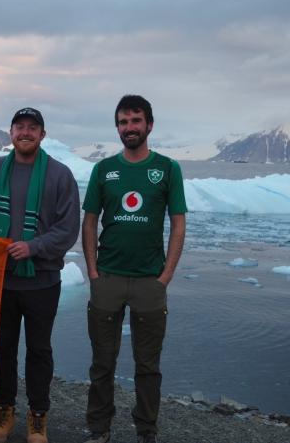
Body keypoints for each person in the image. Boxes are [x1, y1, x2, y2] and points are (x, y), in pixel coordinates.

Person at [81, 95, 186, 443]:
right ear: (117, 128)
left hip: (149, 282)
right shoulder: (103, 169)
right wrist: (93, 272)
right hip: (108, 278)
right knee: (102, 363)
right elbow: (90, 220)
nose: (130, 127)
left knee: (148, 366)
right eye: (123, 122)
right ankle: (99, 429)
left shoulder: (167, 169)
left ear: (149, 125)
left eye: (136, 120)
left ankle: (146, 430)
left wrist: (165, 276)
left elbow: (178, 223)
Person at [0, 107, 80, 443]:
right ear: (11, 133)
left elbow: (68, 228)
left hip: (42, 280)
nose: (25, 132)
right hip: (3, 279)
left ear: (42, 134)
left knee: (39, 351)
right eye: (19, 127)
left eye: (32, 128)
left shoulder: (60, 175)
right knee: (3, 349)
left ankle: (38, 418)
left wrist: (34, 246)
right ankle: (3, 414)